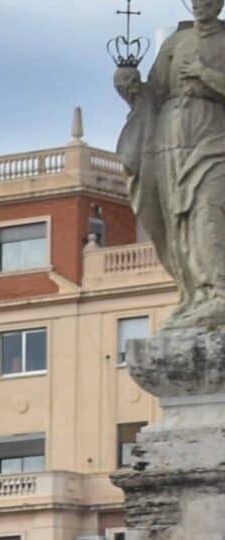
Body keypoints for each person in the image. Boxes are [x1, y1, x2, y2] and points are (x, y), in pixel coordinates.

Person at [117, 0, 225, 330]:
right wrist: (130, 87)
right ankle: (194, 295)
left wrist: (206, 75)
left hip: (213, 135)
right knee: (178, 218)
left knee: (206, 207)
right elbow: (154, 93)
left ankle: (219, 291)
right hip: (170, 141)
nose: (200, 4)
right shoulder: (175, 43)